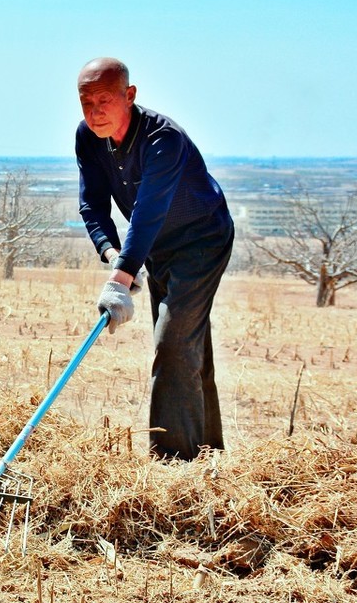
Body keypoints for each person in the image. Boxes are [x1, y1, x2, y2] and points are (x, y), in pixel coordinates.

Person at [74, 57, 234, 461]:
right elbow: (92, 204)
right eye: (86, 102)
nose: (95, 112)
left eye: (104, 100)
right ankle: (207, 454)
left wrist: (122, 278)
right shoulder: (87, 137)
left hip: (202, 241)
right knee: (187, 345)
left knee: (173, 341)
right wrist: (115, 256)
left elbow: (148, 211)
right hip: (156, 247)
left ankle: (173, 462)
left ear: (129, 95)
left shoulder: (163, 138)